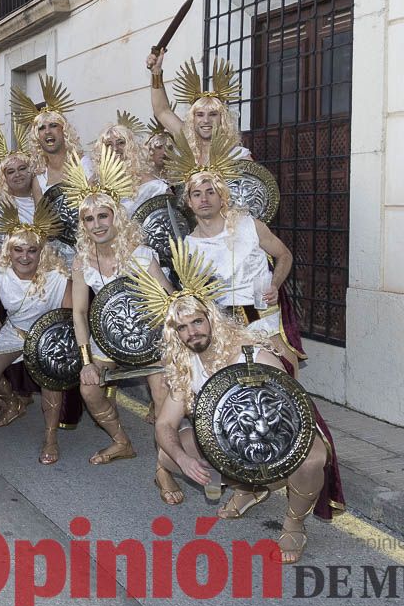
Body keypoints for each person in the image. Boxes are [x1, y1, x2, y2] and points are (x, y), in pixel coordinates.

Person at [129, 239, 343, 563]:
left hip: (273, 434)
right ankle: (249, 486)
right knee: (168, 454)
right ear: (175, 334)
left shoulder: (250, 351)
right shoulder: (185, 365)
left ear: (211, 319)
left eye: (197, 322)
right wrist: (184, 461)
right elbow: (164, 424)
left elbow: (289, 407)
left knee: (312, 457)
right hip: (226, 444)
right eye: (182, 328)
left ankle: (294, 523)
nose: (192, 333)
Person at [63, 149, 174, 466]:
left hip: (149, 340)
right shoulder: (82, 261)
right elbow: (80, 312)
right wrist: (86, 361)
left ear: (115, 217)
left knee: (162, 395)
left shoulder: (141, 254)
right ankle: (121, 441)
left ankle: (164, 468)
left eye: (103, 216)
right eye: (89, 219)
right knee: (90, 390)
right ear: (83, 225)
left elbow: (167, 299)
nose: (97, 224)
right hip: (106, 338)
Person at [167, 132, 304, 370]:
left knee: (281, 375)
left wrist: (275, 283)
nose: (204, 199)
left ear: (222, 197)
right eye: (197, 194)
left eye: (211, 192)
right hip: (221, 322)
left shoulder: (249, 225)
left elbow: (285, 255)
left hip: (258, 314)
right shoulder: (187, 246)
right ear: (189, 202)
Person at [0, 199, 72, 465]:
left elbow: (70, 319)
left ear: (41, 252)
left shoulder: (58, 277)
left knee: (50, 382)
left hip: (49, 337)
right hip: (16, 331)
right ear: (9, 251)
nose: (24, 257)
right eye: (18, 250)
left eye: (32, 251)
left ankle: (50, 438)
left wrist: (57, 351)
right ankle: (13, 402)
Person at [146, 50, 251, 164]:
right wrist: (156, 72)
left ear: (222, 118)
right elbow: (162, 111)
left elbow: (257, 182)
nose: (206, 120)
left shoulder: (237, 155)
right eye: (200, 114)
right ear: (193, 119)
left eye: (213, 114)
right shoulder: (187, 144)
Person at [10, 75, 92, 191]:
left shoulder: (84, 165)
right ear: (37, 137)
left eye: (53, 126)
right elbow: (40, 209)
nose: (48, 131)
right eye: (42, 128)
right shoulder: (40, 178)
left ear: (64, 131)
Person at [93, 115, 170, 215]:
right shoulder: (96, 186)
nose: (115, 148)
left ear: (131, 147)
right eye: (109, 145)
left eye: (121, 142)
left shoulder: (152, 186)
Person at [0, 122, 40, 222]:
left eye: (22, 168)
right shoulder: (0, 208)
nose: (17, 174)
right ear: (4, 178)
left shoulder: (44, 198)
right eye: (11, 172)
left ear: (31, 170)